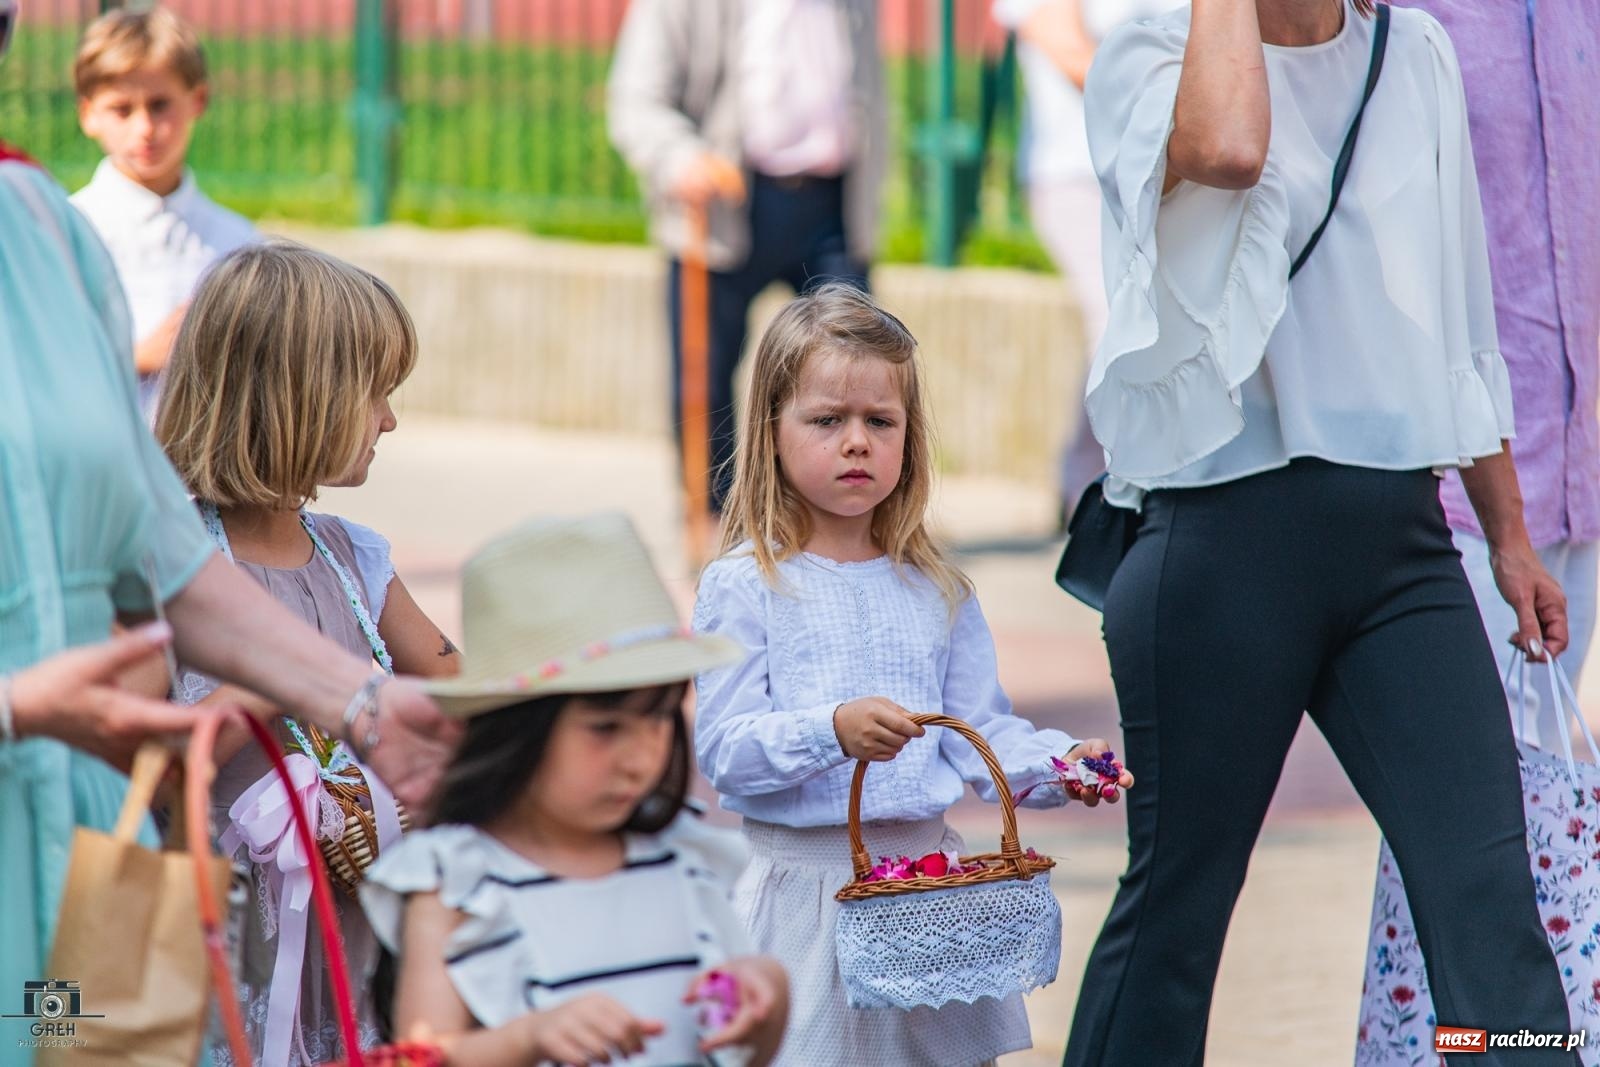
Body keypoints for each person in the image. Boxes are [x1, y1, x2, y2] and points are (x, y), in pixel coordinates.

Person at [1061, 0, 1578, 1062]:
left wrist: (1507, 534)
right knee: (1176, 920)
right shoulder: (1149, 54)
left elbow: (1456, 318)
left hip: (1398, 547)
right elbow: (1226, 149)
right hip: (1216, 543)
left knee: (1488, 902)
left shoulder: (1415, 53)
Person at [0, 13, 457, 1061]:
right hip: (124, 821)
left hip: (90, 834)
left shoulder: (41, 225)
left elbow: (154, 543)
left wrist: (369, 705)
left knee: (81, 1036)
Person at [691, 284, 1132, 1066]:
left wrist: (1059, 765)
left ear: (909, 436)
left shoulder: (937, 588)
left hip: (927, 902)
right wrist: (832, 731)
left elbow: (979, 732)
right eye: (827, 420)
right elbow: (725, 748)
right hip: (804, 901)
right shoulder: (744, 583)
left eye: (879, 421)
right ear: (772, 432)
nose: (855, 440)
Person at [151, 240, 463, 1065]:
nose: (390, 419)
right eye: (376, 394)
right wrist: (284, 680)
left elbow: (457, 688)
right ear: (300, 397)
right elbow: (145, 750)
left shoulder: (355, 557)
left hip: (352, 930)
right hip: (221, 944)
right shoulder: (173, 562)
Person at [362, 513, 789, 1067]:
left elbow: (743, 1052)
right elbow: (423, 1056)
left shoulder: (688, 859)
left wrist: (768, 999)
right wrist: (527, 1039)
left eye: (659, 719)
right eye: (606, 728)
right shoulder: (454, 879)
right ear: (518, 729)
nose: (641, 759)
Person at [607, 0, 886, 516]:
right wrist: (679, 156)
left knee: (853, 372)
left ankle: (836, 517)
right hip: (725, 201)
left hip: (832, 204)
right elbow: (636, 97)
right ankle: (720, 520)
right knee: (704, 383)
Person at [990, 0, 1182, 522]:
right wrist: (1188, 103)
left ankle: (1083, 473)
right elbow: (1072, 54)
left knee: (1149, 321)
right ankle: (1105, 488)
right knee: (1117, 319)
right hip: (1076, 173)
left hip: (1165, 168)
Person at [71, 7, 257, 418]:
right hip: (97, 472)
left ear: (198, 101)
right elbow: (35, 363)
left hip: (200, 476)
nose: (145, 129)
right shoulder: (66, 229)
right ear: (89, 115)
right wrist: (139, 357)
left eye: (160, 105)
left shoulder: (236, 242)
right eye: (122, 109)